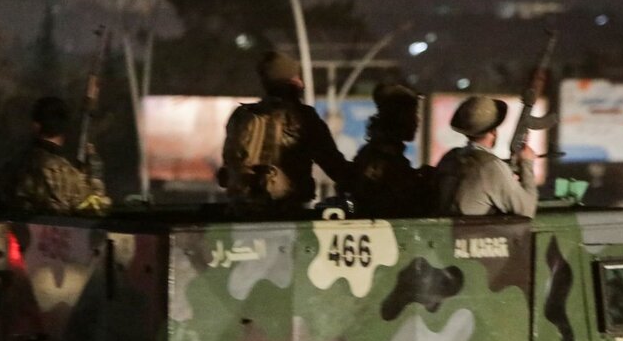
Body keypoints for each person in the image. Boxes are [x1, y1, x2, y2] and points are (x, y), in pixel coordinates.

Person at [219, 50, 352, 212]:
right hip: (286, 212)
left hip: (240, 209)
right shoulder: (303, 117)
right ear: (295, 82)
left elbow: (229, 163)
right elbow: (333, 165)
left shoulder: (241, 116)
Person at [0, 96, 111, 214]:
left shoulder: (11, 169)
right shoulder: (69, 176)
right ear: (64, 129)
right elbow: (96, 208)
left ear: (35, 126)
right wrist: (95, 174)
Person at [435, 95, 538, 217]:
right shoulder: (491, 167)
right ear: (494, 131)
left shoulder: (450, 158)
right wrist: (527, 162)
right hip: (473, 234)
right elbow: (528, 209)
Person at [349, 82, 433, 217]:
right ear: (398, 117)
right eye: (413, 113)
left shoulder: (378, 152)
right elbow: (389, 205)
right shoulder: (382, 157)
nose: (417, 120)